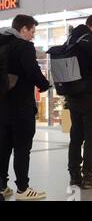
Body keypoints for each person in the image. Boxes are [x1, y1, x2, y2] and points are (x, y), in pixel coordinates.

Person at [0, 15, 50, 200]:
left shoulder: (2, 43)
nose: (33, 36)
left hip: (2, 106)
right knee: (22, 148)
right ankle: (23, 189)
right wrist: (45, 84)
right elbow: (32, 70)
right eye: (32, 31)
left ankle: (2, 186)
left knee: (3, 148)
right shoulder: (24, 46)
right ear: (23, 29)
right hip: (21, 106)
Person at [66, 14, 92, 189]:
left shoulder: (71, 40)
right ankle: (89, 174)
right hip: (90, 94)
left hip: (72, 94)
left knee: (76, 135)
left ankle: (74, 175)